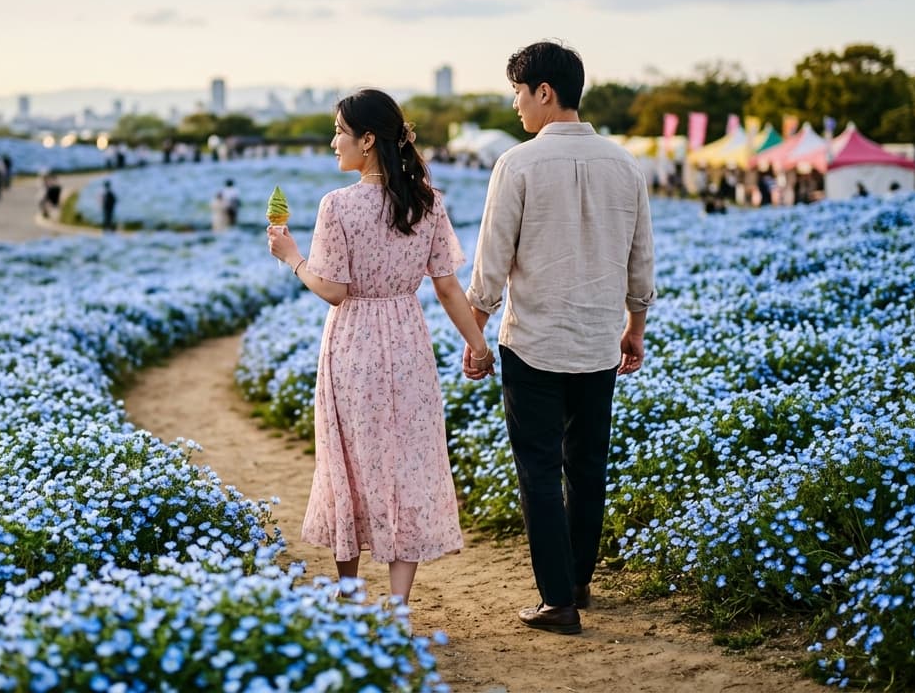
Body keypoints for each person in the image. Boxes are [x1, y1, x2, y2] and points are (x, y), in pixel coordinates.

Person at [266, 88, 494, 603]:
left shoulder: (337, 205)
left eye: (341, 133)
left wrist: (291, 257)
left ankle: (349, 593)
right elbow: (447, 285)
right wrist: (478, 346)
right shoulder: (426, 200)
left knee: (344, 459)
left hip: (352, 343)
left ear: (368, 140)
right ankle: (397, 606)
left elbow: (333, 290)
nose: (333, 142)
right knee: (407, 462)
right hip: (409, 340)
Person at [464, 41, 655, 635]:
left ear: (544, 91)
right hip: (599, 339)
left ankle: (557, 602)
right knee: (588, 464)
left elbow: (491, 262)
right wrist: (635, 327)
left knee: (541, 471)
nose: (517, 107)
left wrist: (476, 333)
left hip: (534, 342)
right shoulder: (626, 164)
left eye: (519, 94)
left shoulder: (517, 164)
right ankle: (577, 580)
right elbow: (641, 259)